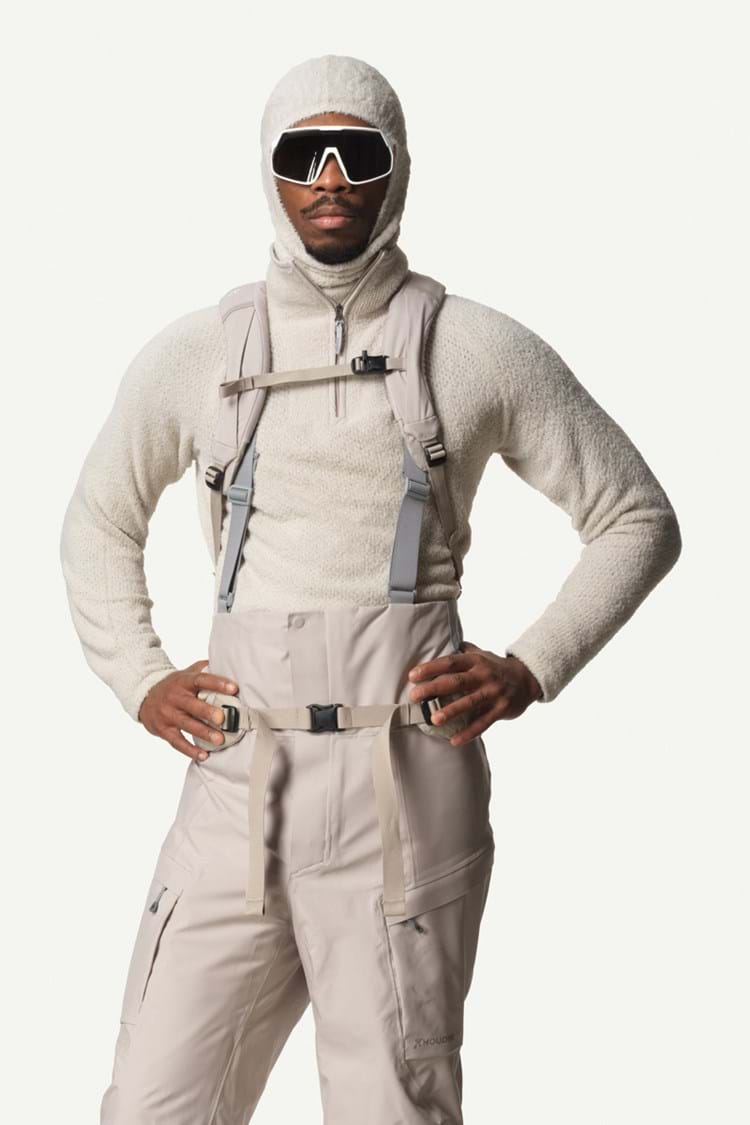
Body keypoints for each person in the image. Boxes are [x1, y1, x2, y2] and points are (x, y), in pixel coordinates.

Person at [60, 53, 682, 1125]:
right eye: (305, 153)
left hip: (406, 789)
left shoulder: (478, 349)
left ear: (397, 169)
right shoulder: (199, 354)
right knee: (155, 1103)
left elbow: (638, 517)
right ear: (271, 172)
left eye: (359, 152)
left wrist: (531, 667)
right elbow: (97, 521)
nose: (332, 178)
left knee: (390, 1106)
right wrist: (137, 675)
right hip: (236, 783)